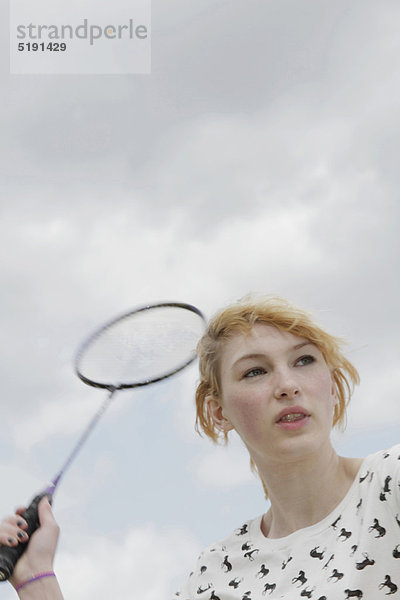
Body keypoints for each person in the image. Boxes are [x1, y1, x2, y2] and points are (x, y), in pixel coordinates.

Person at [1, 296, 399, 599]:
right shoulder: (216, 574)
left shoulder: (391, 481)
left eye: (305, 360)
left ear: (332, 385)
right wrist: (36, 578)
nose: (287, 385)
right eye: (255, 371)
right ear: (218, 411)